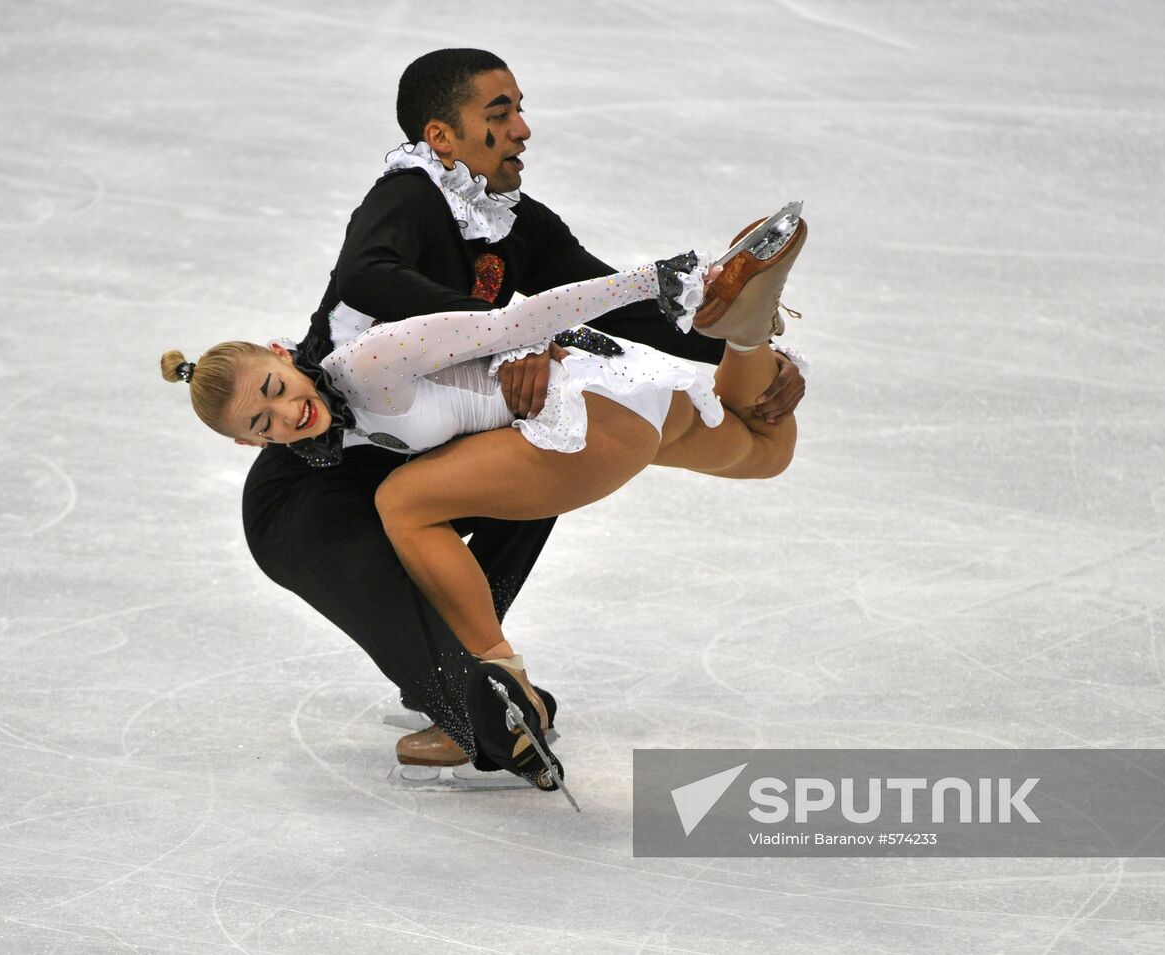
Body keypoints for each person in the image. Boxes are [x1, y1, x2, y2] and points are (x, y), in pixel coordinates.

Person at [235, 48, 808, 784]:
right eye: (499, 115)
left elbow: (619, 304)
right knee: (375, 537)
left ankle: (486, 691)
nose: (523, 129)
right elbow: (367, 275)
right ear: (441, 137)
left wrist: (739, 340)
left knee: (511, 458)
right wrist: (506, 336)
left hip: (435, 429)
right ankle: (471, 698)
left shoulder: (518, 225)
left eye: (519, 109)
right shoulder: (409, 197)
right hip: (326, 458)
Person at [164, 243, 800, 786]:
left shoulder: (369, 360)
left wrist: (651, 280)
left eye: (277, 389)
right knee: (766, 450)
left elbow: (517, 321)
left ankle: (501, 694)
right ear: (248, 445)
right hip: (629, 401)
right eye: (262, 423)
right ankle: (748, 333)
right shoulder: (331, 427)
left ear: (283, 352)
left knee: (402, 503)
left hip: (588, 411)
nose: (286, 415)